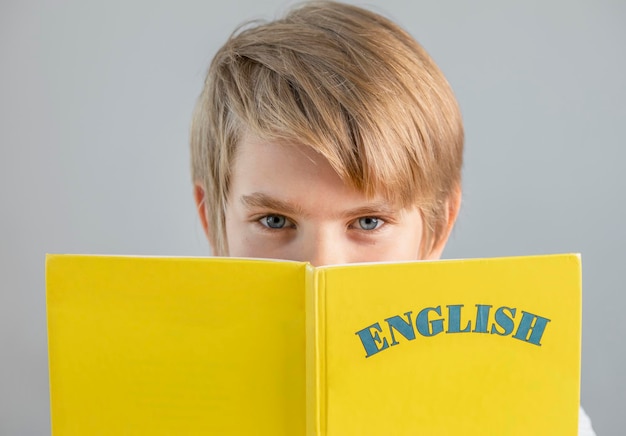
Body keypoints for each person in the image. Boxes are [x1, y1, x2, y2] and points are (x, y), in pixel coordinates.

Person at [189, 1, 595, 434]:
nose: (322, 268)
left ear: (437, 227)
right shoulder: (156, 401)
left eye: (368, 223)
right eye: (274, 221)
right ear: (213, 222)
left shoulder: (535, 418)